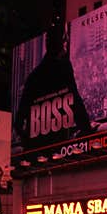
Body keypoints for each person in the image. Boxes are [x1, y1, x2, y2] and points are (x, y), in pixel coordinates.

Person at [15, 21, 95, 153]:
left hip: (36, 152)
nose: (67, 44)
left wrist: (28, 143)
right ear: (61, 44)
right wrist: (87, 128)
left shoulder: (33, 77)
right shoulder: (62, 66)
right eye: (65, 40)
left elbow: (18, 123)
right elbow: (74, 99)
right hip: (58, 148)